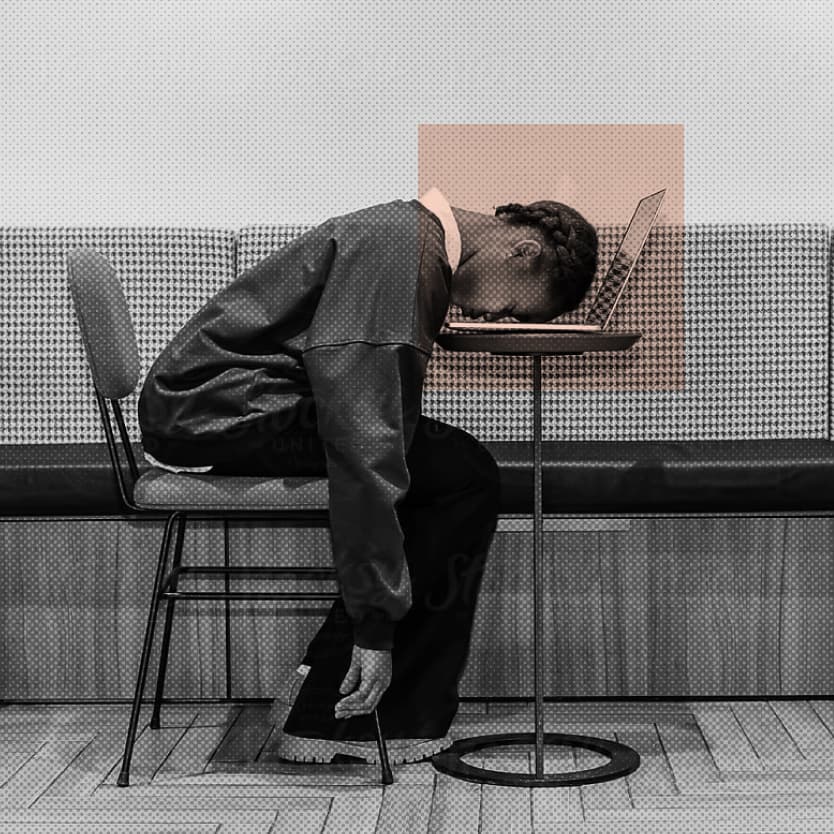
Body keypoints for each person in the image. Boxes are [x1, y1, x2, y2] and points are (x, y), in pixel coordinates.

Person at [137, 187, 599, 764]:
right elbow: (364, 451)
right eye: (513, 309)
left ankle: (323, 686)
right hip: (219, 412)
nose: (490, 317)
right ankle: (344, 712)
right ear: (524, 252)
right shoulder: (402, 260)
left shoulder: (409, 236)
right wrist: (373, 629)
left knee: (459, 469)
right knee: (461, 476)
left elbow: (368, 416)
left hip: (221, 403)